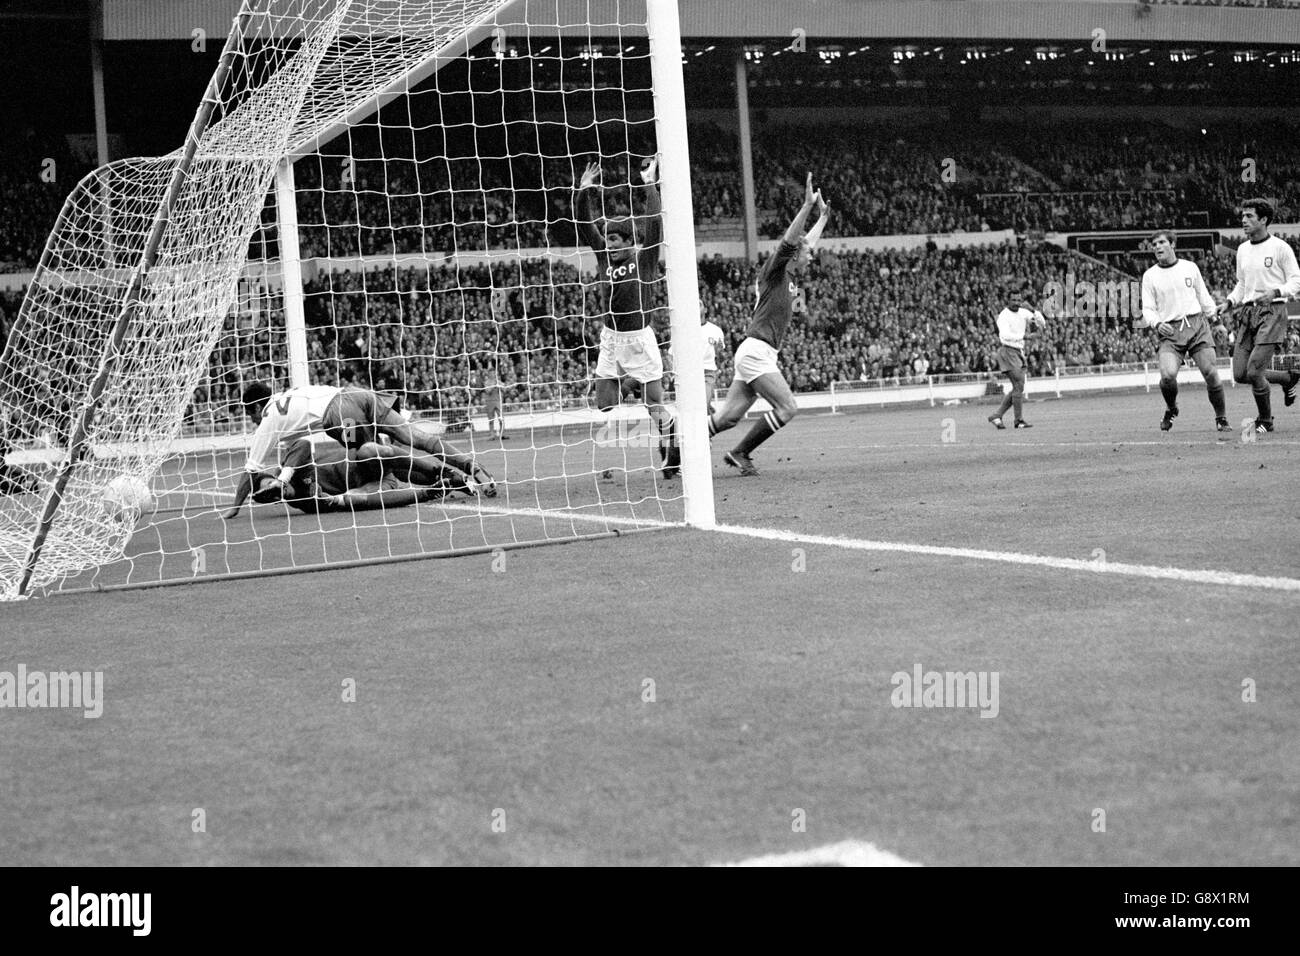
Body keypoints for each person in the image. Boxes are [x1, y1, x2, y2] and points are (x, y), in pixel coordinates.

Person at [222, 382, 495, 518]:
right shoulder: (289, 393)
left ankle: (439, 475)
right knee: (416, 438)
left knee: (366, 453)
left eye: (250, 414)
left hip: (341, 415)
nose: (252, 420)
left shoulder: (267, 419)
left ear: (256, 407)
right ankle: (470, 466)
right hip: (357, 395)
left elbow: (251, 470)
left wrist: (235, 507)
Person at [707, 173, 829, 475]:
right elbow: (792, 242)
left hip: (757, 351)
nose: (812, 257)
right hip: (756, 351)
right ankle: (740, 452)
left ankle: (676, 448)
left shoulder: (790, 276)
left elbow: (805, 243)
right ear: (794, 256)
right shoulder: (774, 272)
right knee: (787, 407)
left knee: (728, 418)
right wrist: (805, 208)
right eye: (808, 254)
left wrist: (823, 216)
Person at [573, 155, 680, 478]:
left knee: (654, 407)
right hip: (610, 339)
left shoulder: (644, 259)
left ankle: (671, 445)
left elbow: (655, 224)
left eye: (616, 240)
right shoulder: (603, 257)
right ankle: (630, 381)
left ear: (629, 241)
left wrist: (649, 185)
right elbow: (583, 225)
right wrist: (584, 191)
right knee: (604, 404)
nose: (611, 245)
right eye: (608, 240)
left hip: (639, 339)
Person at [1216, 198, 1300, 433]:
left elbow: (1296, 280)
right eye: (1243, 216)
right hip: (1248, 312)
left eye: (1249, 216)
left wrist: (1276, 291)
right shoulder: (1242, 249)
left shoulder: (1280, 247)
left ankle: (1266, 420)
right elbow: (1242, 284)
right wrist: (1230, 302)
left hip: (1273, 311)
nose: (1243, 220)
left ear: (1264, 220)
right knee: (1241, 373)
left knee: (1254, 371)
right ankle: (1287, 378)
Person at [234, 437, 475, 516]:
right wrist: (331, 500)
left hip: (366, 462)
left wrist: (283, 478)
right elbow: (332, 506)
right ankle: (434, 491)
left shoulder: (291, 466)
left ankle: (441, 471)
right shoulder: (304, 504)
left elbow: (304, 443)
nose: (278, 490)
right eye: (273, 493)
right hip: (376, 483)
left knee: (369, 450)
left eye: (272, 485)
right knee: (350, 500)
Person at [1138, 231, 1229, 432]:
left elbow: (1204, 298)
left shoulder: (1190, 267)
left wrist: (1217, 321)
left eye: (1162, 242)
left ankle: (1221, 418)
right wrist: (1156, 323)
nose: (1157, 247)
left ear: (1172, 244)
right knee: (1168, 376)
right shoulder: (1150, 275)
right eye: (1154, 244)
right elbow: (1148, 308)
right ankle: (1171, 408)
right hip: (1170, 330)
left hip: (1196, 325)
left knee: (1211, 373)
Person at [987, 280, 1046, 430]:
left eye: (1019, 300)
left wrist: (1033, 310)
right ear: (1008, 300)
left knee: (1017, 387)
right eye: (1013, 300)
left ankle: (997, 415)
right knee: (1019, 385)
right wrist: (1026, 336)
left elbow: (1042, 323)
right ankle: (1018, 420)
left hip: (1018, 352)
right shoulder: (1003, 316)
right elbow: (1004, 335)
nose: (1016, 302)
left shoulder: (1024, 312)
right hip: (1008, 350)